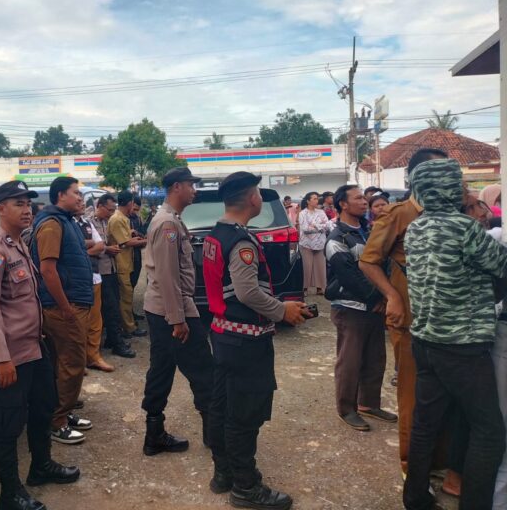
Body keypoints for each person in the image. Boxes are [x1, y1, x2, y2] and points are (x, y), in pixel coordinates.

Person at [402, 158, 507, 510]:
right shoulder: (465, 228)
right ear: (448, 188)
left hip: (426, 341)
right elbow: (501, 265)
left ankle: (415, 497)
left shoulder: (416, 227)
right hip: (462, 345)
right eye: (458, 184)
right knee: (489, 431)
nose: (463, 189)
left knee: (425, 424)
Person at [203, 171, 311, 510]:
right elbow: (248, 292)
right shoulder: (241, 241)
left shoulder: (214, 235)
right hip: (245, 341)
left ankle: (224, 474)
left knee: (221, 407)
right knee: (244, 416)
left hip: (223, 335)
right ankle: (246, 488)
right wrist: (283, 311)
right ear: (253, 199)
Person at [0, 180, 80, 510]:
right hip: (11, 360)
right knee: (7, 427)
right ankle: (10, 493)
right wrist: (1, 359)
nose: (27, 209)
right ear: (0, 209)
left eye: (28, 203)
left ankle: (41, 466)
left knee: (43, 409)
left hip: (34, 351)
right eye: (18, 204)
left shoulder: (19, 245)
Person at [359, 148, 460, 482]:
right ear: (418, 177)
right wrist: (392, 297)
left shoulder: (456, 212)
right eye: (437, 171)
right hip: (411, 318)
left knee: (451, 394)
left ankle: (443, 461)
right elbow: (369, 260)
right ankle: (414, 466)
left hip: (451, 319)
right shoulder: (399, 214)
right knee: (414, 394)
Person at [141, 167, 214, 456]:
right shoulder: (167, 225)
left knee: (161, 369)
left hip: (163, 310)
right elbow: (168, 276)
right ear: (176, 188)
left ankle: (154, 434)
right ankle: (215, 433)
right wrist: (178, 320)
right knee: (204, 371)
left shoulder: (171, 221)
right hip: (173, 311)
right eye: (190, 185)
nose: (194, 189)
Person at [325, 184, 395, 431]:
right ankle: (346, 409)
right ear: (343, 204)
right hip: (351, 307)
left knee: (376, 358)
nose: (363, 202)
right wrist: (377, 298)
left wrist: (385, 297)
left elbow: (383, 264)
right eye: (357, 198)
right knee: (350, 362)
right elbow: (348, 276)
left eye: (363, 198)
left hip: (375, 306)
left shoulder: (368, 231)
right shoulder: (337, 238)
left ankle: (368, 404)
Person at [30, 176, 94, 445]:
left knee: (63, 363)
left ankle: (62, 413)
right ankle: (57, 421)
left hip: (72, 302)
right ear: (60, 196)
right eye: (75, 193)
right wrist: (66, 307)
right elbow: (47, 270)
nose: (80, 198)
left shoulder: (67, 222)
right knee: (72, 363)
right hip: (63, 306)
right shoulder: (52, 225)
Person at [90, 193, 136, 359]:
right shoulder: (89, 223)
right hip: (98, 271)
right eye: (109, 210)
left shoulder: (105, 222)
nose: (111, 213)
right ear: (99, 206)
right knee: (110, 308)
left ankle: (111, 338)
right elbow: (90, 247)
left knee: (112, 305)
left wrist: (110, 247)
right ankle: (117, 343)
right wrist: (106, 249)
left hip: (110, 268)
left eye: (112, 210)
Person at [74, 208, 114, 373]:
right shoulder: (66, 224)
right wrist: (88, 245)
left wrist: (84, 249)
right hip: (77, 280)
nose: (81, 202)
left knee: (95, 320)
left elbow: (100, 245)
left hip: (94, 276)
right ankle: (78, 360)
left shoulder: (87, 223)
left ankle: (93, 356)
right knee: (78, 321)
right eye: (76, 196)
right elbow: (71, 247)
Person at [108, 190, 148, 337]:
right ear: (130, 203)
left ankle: (127, 325)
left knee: (127, 295)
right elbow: (126, 242)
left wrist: (137, 237)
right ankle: (129, 328)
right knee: (125, 297)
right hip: (121, 264)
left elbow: (127, 238)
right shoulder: (117, 219)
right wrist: (148, 240)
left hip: (126, 262)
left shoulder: (123, 218)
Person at [298, 192, 328, 295]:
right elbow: (305, 229)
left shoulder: (321, 212)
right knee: (307, 266)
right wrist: (320, 227)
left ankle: (320, 288)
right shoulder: (303, 213)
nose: (317, 200)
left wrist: (315, 225)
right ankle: (305, 288)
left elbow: (327, 225)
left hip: (320, 243)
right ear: (308, 201)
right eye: (314, 199)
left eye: (317, 199)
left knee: (320, 266)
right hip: (306, 244)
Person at [129, 195, 146, 290]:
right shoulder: (121, 219)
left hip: (137, 253)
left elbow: (143, 234)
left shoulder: (138, 219)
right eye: (134, 209)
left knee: (135, 276)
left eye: (137, 210)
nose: (135, 212)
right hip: (126, 254)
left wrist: (138, 234)